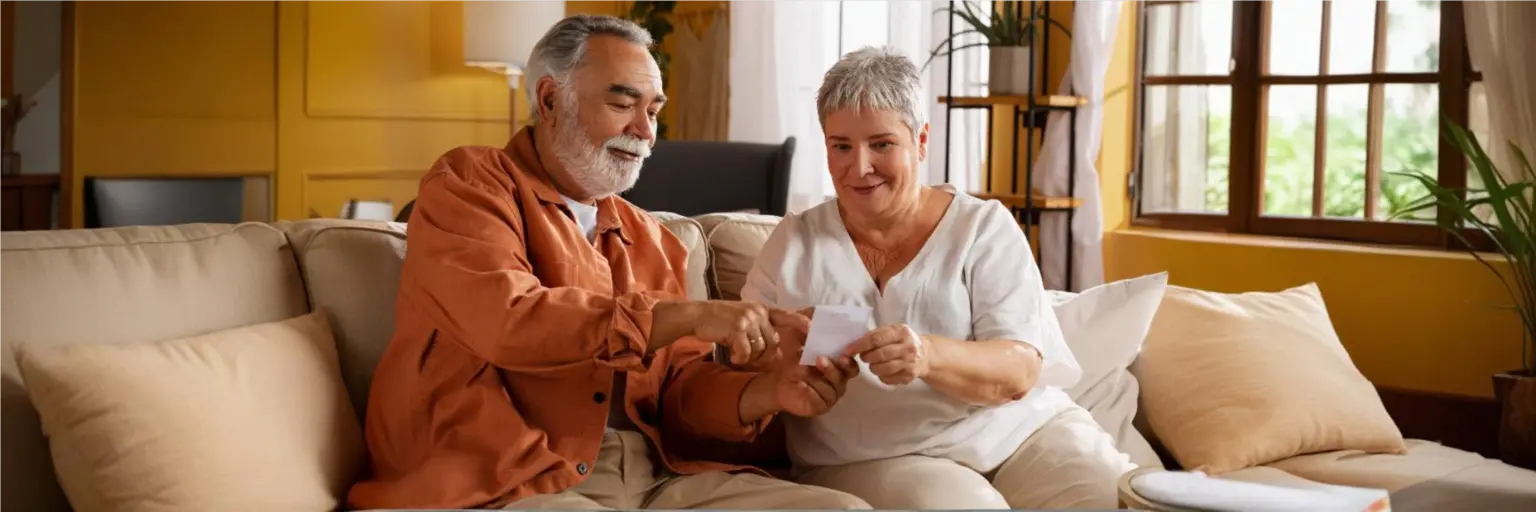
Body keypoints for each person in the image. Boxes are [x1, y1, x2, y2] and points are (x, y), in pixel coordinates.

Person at [348, 15, 869, 511]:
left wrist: (770, 391)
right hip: (508, 480)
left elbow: (677, 399)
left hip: (651, 476)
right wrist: (686, 315)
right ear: (550, 99)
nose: (645, 131)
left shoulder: (653, 240)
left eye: (654, 111)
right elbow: (510, 319)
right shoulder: (469, 185)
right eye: (623, 104)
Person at [735, 46, 1137, 509]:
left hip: (1024, 432)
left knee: (1111, 496)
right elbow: (740, 364)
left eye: (882, 144)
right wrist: (785, 357)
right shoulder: (793, 242)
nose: (859, 167)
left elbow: (1020, 369)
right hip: (875, 457)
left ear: (921, 141)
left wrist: (925, 356)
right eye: (841, 146)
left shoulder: (982, 227)